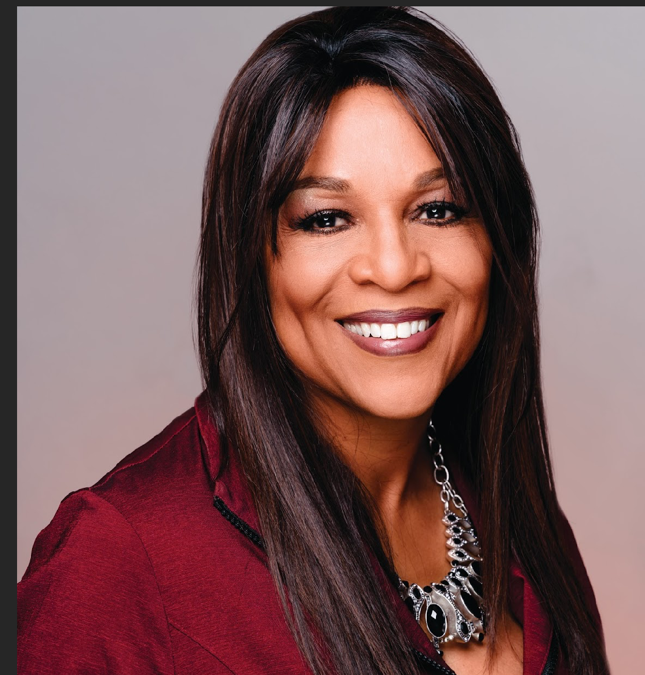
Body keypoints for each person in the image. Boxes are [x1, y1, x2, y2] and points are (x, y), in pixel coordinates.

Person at [17, 7, 610, 675]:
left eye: (438, 209)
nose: (394, 267)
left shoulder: (518, 517)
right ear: (253, 254)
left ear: (497, 238)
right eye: (327, 219)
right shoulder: (119, 559)